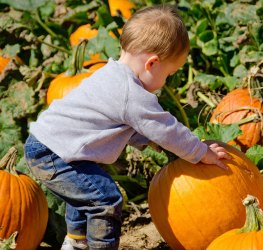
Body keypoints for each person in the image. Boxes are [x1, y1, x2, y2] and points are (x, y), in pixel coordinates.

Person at [24, 4, 231, 250]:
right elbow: (164, 128)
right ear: (152, 64)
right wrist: (200, 152)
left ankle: (77, 243)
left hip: (47, 146)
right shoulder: (131, 93)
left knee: (86, 191)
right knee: (105, 199)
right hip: (54, 153)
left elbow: (121, 126)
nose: (165, 82)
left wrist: (149, 141)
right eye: (169, 74)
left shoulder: (111, 74)